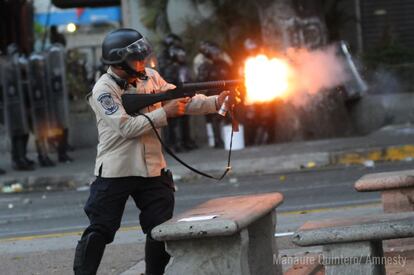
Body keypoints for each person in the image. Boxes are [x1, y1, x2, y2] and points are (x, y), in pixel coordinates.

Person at [73, 28, 232, 275]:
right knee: (100, 230)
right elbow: (126, 127)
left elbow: (181, 100)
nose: (143, 61)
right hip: (118, 168)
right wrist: (164, 113)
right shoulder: (103, 90)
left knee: (159, 230)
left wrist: (215, 102)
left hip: (152, 167)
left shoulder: (150, 76)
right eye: (136, 58)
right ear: (119, 61)